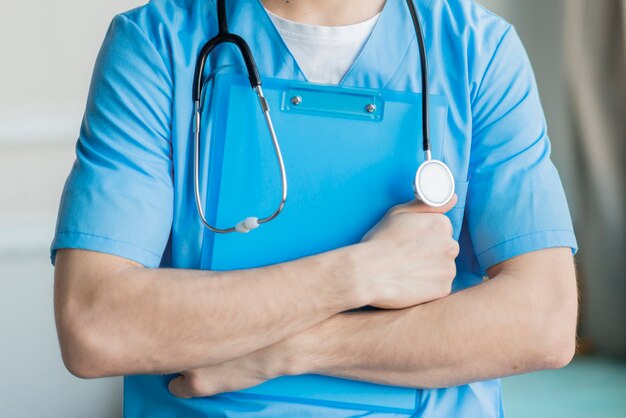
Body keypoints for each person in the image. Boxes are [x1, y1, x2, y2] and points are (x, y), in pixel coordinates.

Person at [51, 0, 579, 416]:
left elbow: (543, 321)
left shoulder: (477, 51)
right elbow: (95, 324)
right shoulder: (156, 44)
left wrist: (292, 351)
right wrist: (359, 273)